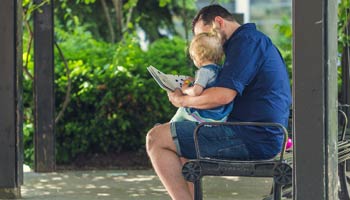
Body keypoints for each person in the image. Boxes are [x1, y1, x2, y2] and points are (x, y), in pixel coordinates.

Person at [146, 4, 292, 200]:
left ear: (219, 22)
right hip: (260, 132)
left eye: (204, 36)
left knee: (156, 138)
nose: (203, 43)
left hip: (254, 136)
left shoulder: (245, 42)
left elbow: (223, 96)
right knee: (180, 141)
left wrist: (182, 100)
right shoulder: (248, 42)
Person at [171, 30, 233, 123]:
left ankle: (169, 126)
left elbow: (196, 91)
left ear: (197, 56)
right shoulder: (219, 70)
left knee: (183, 110)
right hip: (221, 115)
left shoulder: (203, 71)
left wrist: (185, 89)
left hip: (208, 115)